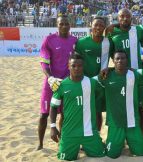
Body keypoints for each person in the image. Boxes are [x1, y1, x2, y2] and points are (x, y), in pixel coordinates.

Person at [50, 53, 106, 161]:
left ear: (83, 66)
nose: (77, 68)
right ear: (68, 66)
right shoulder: (61, 85)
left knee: (101, 155)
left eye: (80, 66)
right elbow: (53, 107)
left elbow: (102, 94)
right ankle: (66, 144)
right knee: (65, 158)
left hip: (89, 131)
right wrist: (52, 126)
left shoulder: (92, 83)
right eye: (73, 65)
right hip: (69, 132)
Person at [38, 15, 77, 150]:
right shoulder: (49, 40)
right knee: (44, 114)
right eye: (61, 24)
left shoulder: (74, 40)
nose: (64, 26)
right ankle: (40, 144)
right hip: (51, 83)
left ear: (70, 25)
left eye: (66, 24)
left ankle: (62, 140)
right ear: (57, 25)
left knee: (65, 114)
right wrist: (50, 77)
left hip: (66, 84)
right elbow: (44, 62)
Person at [99, 51, 143, 159]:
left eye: (123, 58)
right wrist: (109, 69)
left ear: (127, 60)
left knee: (141, 152)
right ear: (113, 61)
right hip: (115, 123)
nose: (120, 60)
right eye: (117, 58)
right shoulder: (106, 76)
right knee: (111, 154)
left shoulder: (134, 75)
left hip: (132, 122)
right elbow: (88, 81)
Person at [106, 8, 143, 134]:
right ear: (118, 18)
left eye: (127, 16)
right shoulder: (112, 33)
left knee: (139, 108)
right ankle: (121, 136)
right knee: (120, 107)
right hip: (119, 76)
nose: (124, 19)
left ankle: (139, 136)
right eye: (121, 16)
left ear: (131, 18)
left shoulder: (138, 30)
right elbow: (110, 53)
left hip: (137, 76)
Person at [75, 16, 110, 131]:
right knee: (81, 111)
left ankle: (97, 136)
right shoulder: (81, 43)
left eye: (101, 25)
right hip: (83, 82)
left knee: (97, 112)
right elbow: (74, 62)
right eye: (96, 25)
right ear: (91, 25)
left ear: (105, 27)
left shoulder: (108, 43)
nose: (98, 27)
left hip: (100, 84)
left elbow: (118, 58)